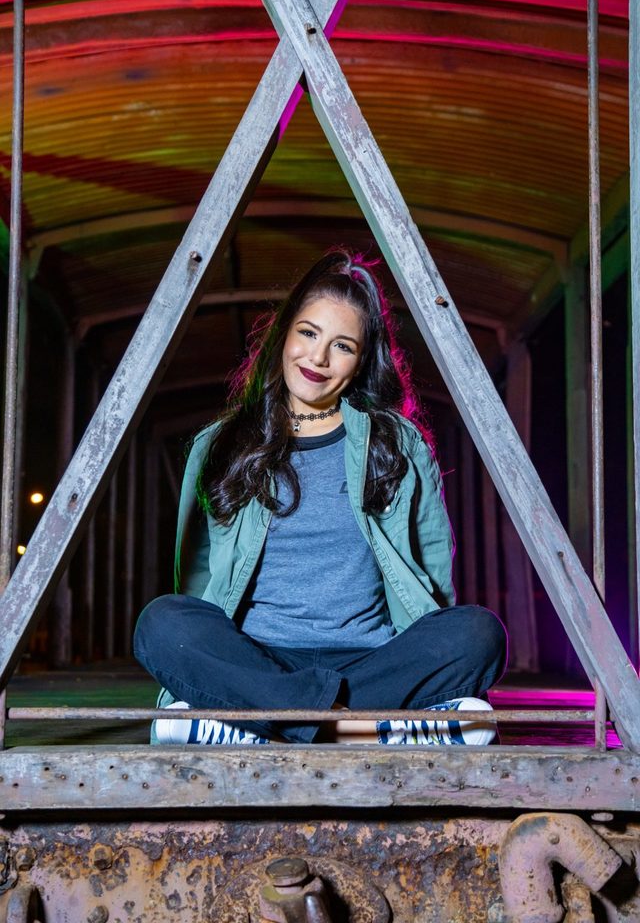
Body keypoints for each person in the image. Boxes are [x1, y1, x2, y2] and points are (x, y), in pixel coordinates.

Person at [133, 249, 507, 746]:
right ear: (283, 334)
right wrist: (220, 661)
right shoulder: (221, 444)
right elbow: (200, 581)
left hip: (369, 660)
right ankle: (369, 729)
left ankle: (254, 724)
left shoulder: (397, 443)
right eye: (308, 333)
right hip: (257, 657)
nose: (318, 358)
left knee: (478, 633)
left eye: (342, 345)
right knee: (162, 623)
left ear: (362, 360)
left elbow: (433, 566)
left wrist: (430, 650)